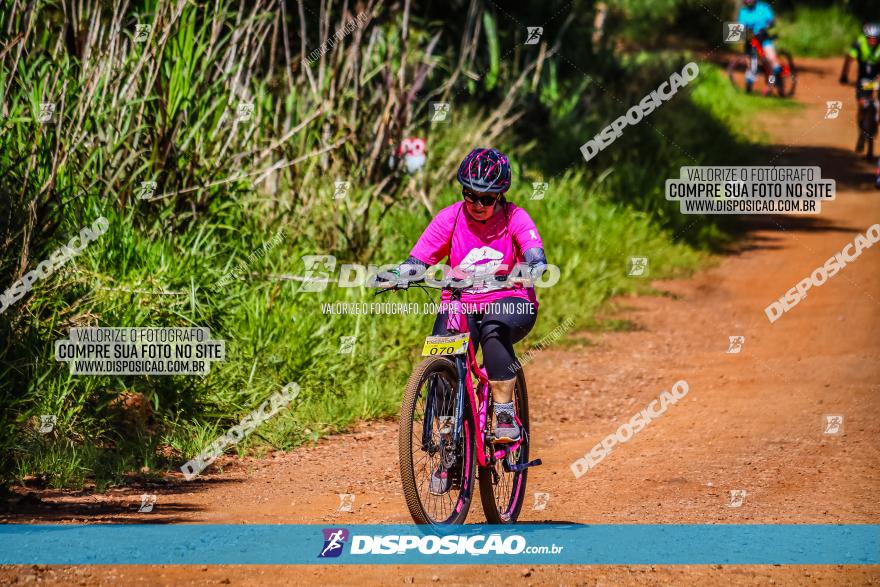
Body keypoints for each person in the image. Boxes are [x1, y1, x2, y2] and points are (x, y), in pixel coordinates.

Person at [391, 148, 549, 495]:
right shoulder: (450, 218)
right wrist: (396, 274)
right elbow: (417, 260)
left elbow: (536, 255)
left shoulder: (516, 218)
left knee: (494, 329)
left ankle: (505, 413)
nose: (477, 204)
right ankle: (449, 450)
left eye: (486, 198)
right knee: (444, 357)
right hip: (460, 302)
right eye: (469, 194)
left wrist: (531, 269)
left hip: (510, 302)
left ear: (500, 196)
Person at [840, 22, 880, 160]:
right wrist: (844, 75)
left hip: (876, 81)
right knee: (862, 107)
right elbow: (849, 60)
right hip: (863, 81)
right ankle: (861, 132)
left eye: (876, 38)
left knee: (876, 110)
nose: (873, 41)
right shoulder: (859, 44)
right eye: (870, 38)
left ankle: (872, 136)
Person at [738, 0, 781, 89]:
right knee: (750, 61)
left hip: (763, 38)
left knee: (770, 58)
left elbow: (771, 21)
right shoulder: (743, 11)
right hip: (750, 40)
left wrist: (766, 26)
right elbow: (741, 26)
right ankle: (751, 78)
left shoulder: (763, 7)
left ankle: (777, 75)